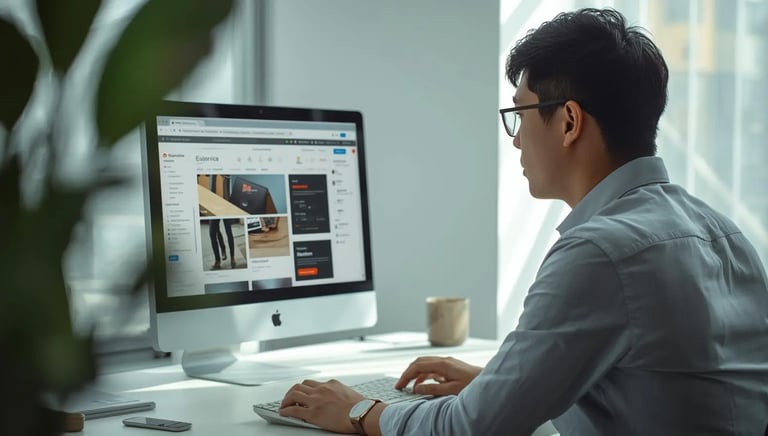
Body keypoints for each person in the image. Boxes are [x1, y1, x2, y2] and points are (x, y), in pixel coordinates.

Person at [277, 8, 768, 435]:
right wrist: (501, 385)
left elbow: (470, 428)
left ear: (569, 122)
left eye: (521, 114)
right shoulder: (725, 234)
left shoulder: (601, 251)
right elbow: (654, 388)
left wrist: (359, 410)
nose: (515, 139)